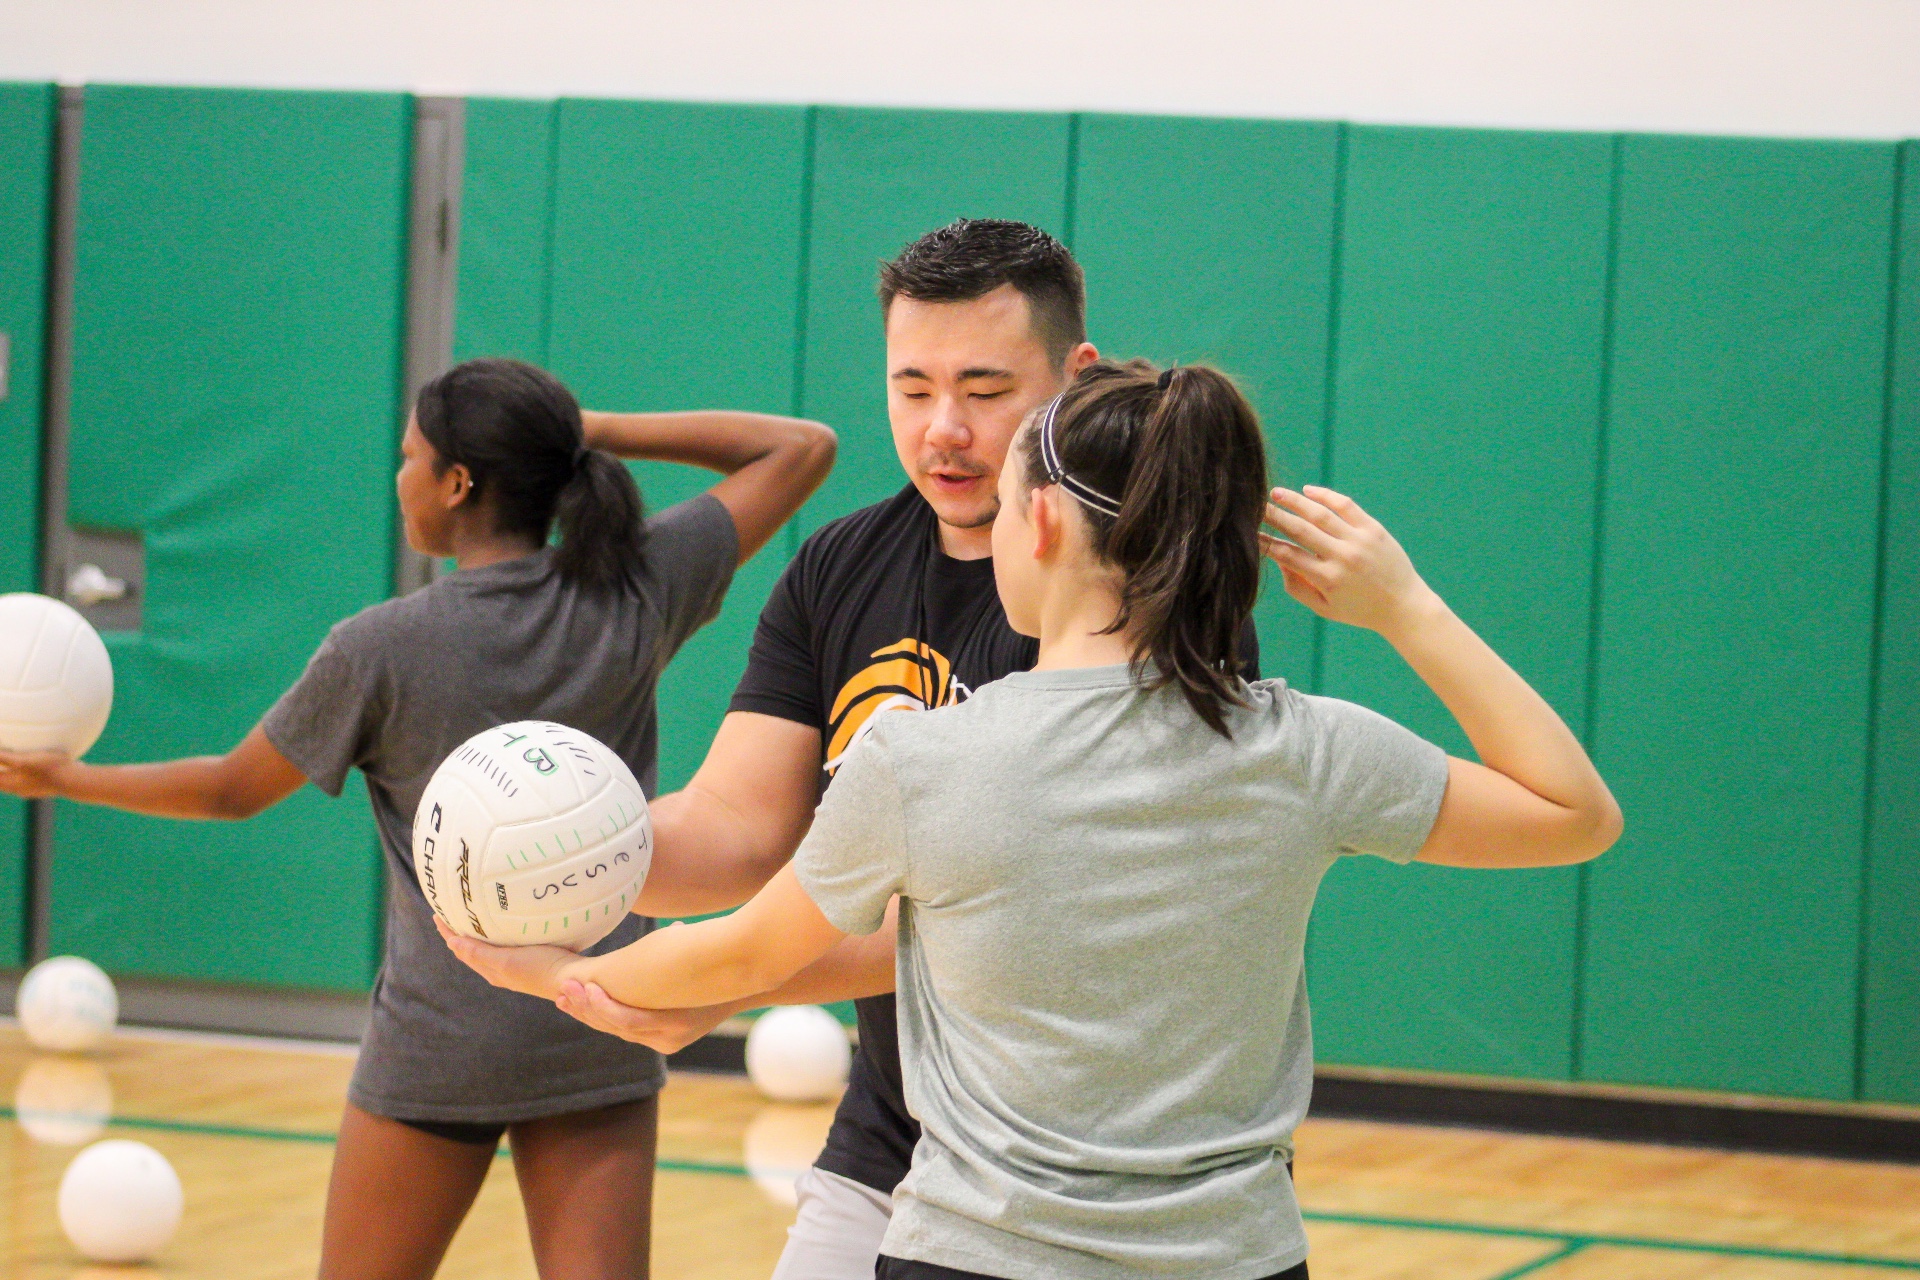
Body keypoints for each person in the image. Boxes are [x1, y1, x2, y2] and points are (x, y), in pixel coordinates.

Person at [444, 358, 1623, 1280]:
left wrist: (547, 970)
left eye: (1007, 505)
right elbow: (1576, 813)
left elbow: (743, 949)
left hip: (975, 1256)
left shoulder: (922, 757)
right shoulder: (1302, 745)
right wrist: (1405, 607)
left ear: (1044, 524)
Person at [0, 357, 836, 1280]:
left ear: (456, 481)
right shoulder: (630, 589)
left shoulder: (380, 648)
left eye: (409, 457)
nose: (399, 478)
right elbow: (800, 448)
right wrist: (591, 428)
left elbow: (227, 791)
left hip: (442, 1044)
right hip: (598, 1020)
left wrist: (66, 779)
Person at [550, 219, 1251, 1279]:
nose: (944, 431)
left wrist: (737, 974)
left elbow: (1009, 906)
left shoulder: (1155, 599)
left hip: (1100, 1177)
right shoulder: (839, 565)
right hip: (894, 1136)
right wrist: (553, 853)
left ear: (1078, 377)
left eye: (983, 387)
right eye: (913, 388)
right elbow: (738, 825)